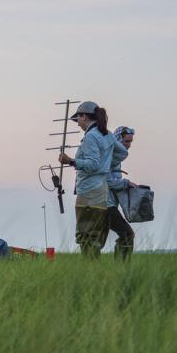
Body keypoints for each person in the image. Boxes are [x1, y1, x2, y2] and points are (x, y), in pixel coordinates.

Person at [58, 101, 114, 259]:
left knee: (86, 236)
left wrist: (71, 161)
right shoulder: (107, 135)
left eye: (78, 119)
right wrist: (108, 165)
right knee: (94, 236)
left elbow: (93, 164)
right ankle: (94, 272)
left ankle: (90, 273)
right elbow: (122, 152)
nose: (78, 124)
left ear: (84, 116)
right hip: (101, 191)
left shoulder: (91, 136)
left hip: (88, 192)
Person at [105, 126, 137, 259]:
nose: (129, 145)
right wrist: (126, 183)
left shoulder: (116, 158)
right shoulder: (110, 157)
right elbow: (107, 180)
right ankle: (121, 266)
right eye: (126, 142)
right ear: (118, 140)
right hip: (106, 204)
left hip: (109, 203)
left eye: (130, 142)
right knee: (127, 234)